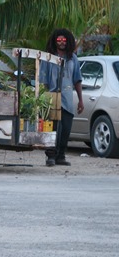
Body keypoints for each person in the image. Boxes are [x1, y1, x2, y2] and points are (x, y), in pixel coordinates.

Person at [39, 28, 84, 167]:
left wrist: (81, 100)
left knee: (65, 129)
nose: (62, 43)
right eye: (59, 40)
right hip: (52, 97)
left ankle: (61, 156)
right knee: (52, 128)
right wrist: (43, 100)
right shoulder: (47, 58)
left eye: (64, 40)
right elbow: (43, 80)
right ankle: (51, 156)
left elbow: (77, 80)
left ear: (68, 41)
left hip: (67, 98)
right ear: (55, 41)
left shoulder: (73, 59)